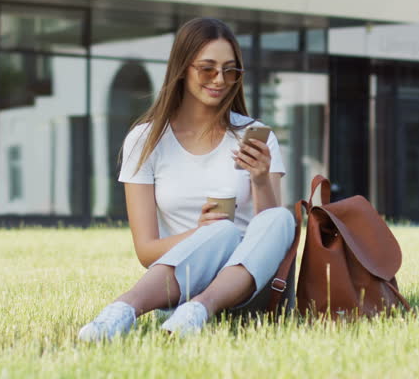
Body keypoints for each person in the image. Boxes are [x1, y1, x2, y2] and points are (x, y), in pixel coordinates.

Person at [77, 18, 294, 341]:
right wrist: (199, 233)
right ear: (182, 68)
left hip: (248, 289)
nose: (220, 80)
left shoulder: (254, 135)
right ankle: (118, 314)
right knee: (221, 231)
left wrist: (261, 178)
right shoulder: (146, 140)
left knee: (281, 219)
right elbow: (146, 250)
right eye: (207, 69)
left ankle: (199, 311)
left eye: (230, 70)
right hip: (180, 282)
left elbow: (268, 236)